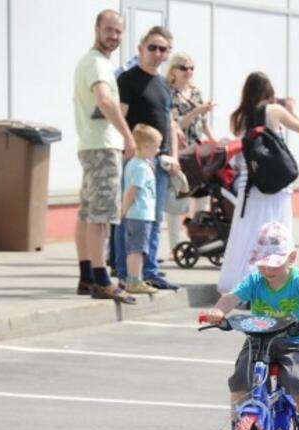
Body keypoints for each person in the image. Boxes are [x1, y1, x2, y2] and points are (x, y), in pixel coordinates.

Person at [206, 222, 299, 430]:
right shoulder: (255, 279)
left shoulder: (297, 279)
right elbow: (231, 297)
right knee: (240, 378)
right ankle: (235, 429)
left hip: (297, 339)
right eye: (262, 264)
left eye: (274, 264)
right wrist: (219, 311)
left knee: (294, 377)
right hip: (260, 339)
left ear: (291, 258)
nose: (267, 270)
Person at [217, 72, 299, 294]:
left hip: (250, 183)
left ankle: (241, 283)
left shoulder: (239, 117)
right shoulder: (274, 110)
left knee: (247, 232)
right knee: (276, 230)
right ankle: (271, 284)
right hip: (274, 181)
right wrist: (292, 108)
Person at [72, 9, 136, 304]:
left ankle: (87, 276)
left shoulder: (94, 62)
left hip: (91, 145)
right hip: (102, 146)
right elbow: (104, 99)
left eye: (118, 31)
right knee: (100, 216)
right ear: (96, 28)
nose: (114, 36)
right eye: (108, 30)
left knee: (87, 215)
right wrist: (127, 134)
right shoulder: (97, 63)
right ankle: (101, 279)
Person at [115, 25, 181, 291]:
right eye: (152, 47)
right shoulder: (128, 79)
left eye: (162, 49)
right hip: (135, 161)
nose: (157, 53)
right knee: (129, 217)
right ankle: (125, 272)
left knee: (153, 219)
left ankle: (149, 270)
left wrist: (174, 156)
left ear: (168, 53)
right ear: (141, 48)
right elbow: (119, 116)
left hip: (160, 161)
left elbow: (171, 123)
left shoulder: (164, 85)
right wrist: (127, 145)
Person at [166, 52, 217, 251]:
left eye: (191, 68)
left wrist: (213, 141)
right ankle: (175, 244)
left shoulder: (195, 92)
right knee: (179, 197)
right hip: (181, 149)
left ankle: (198, 238)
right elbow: (176, 123)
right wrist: (197, 111)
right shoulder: (169, 93)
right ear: (173, 70)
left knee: (202, 196)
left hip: (199, 149)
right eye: (183, 68)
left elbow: (204, 124)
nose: (188, 72)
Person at [121, 125, 162, 295]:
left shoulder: (134, 163)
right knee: (138, 249)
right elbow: (132, 190)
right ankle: (135, 280)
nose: (158, 150)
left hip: (136, 214)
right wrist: (123, 209)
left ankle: (133, 278)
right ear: (145, 146)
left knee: (134, 248)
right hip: (140, 214)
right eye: (156, 147)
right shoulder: (141, 167)